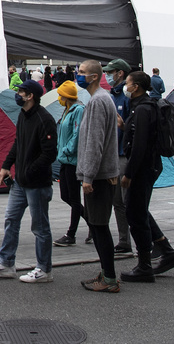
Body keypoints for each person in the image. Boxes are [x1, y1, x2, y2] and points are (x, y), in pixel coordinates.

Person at [0, 80, 56, 282]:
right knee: (11, 219)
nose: (17, 95)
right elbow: (18, 142)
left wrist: (30, 171)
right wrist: (7, 165)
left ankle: (44, 269)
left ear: (30, 95)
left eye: (21, 92)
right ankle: (6, 263)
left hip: (37, 183)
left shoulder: (44, 119)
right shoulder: (23, 116)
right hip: (20, 182)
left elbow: (50, 153)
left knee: (40, 227)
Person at [120, 70, 174, 282]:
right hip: (149, 166)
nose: (125, 86)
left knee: (135, 214)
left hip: (143, 167)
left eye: (127, 83)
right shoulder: (143, 107)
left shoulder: (143, 109)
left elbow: (140, 145)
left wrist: (129, 173)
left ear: (135, 86)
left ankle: (145, 265)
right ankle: (166, 252)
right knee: (139, 210)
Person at [76, 59, 122, 292]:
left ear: (94, 77)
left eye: (83, 72)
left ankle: (110, 279)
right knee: (98, 225)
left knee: (98, 226)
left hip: (99, 177)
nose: (78, 75)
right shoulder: (105, 98)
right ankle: (106, 272)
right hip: (104, 174)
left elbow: (95, 143)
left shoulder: (97, 101)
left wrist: (88, 177)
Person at [102, 58, 134, 257]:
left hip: (123, 155)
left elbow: (133, 126)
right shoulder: (111, 96)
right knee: (116, 201)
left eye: (111, 72)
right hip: (113, 154)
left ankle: (130, 241)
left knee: (124, 201)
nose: (108, 75)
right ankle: (124, 241)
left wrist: (124, 127)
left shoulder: (127, 97)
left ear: (120, 73)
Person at [53, 80, 85, 248]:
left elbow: (77, 133)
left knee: (73, 198)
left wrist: (67, 150)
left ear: (66, 96)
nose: (59, 98)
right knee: (65, 195)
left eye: (60, 95)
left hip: (72, 159)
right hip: (64, 159)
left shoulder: (77, 110)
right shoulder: (66, 110)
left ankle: (71, 234)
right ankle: (92, 222)